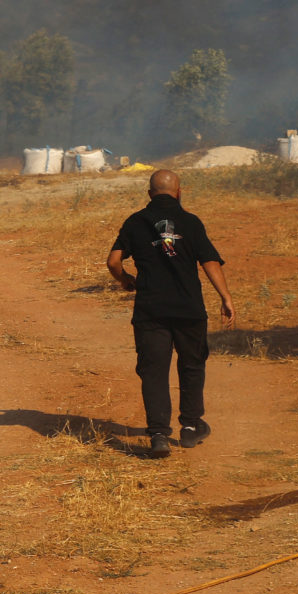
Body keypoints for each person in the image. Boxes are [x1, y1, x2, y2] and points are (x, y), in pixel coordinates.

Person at [104, 168, 234, 457]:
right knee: (191, 365)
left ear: (150, 194)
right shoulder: (190, 222)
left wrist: (125, 280)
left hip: (151, 310)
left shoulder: (135, 222)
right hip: (189, 309)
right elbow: (210, 261)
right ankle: (190, 427)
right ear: (179, 191)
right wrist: (225, 297)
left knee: (154, 372)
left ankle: (159, 435)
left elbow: (113, 261)